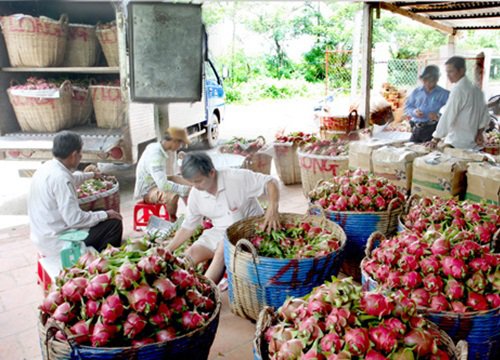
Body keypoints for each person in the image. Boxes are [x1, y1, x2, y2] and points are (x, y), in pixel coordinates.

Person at [166, 152, 280, 284]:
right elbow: (188, 227)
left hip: (249, 230)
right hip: (220, 231)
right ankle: (175, 291)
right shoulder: (196, 194)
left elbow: (271, 182)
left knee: (222, 248)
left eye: (198, 181)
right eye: (191, 182)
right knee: (191, 253)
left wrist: (273, 209)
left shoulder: (236, 178)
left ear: (212, 172)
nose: (195, 186)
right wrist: (168, 250)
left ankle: (205, 293)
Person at [28, 131, 123, 265]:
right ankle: (102, 264)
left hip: (41, 235)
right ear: (73, 155)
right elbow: (74, 219)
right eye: (80, 153)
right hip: (57, 241)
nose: (80, 157)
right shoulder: (61, 178)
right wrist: (106, 214)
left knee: (102, 213)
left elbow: (72, 178)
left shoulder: (47, 168)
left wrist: (90, 175)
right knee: (114, 224)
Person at [429, 56, 490, 149]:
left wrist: (435, 138)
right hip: (474, 145)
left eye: (451, 71)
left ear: (462, 70)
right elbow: (485, 116)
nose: (448, 75)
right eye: (447, 72)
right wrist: (479, 133)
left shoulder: (459, 89)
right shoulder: (476, 90)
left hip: (457, 144)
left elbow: (448, 115)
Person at [134, 127, 192, 221]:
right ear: (174, 141)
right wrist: (185, 190)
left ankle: (193, 214)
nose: (180, 146)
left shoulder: (156, 147)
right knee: (173, 194)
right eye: (180, 143)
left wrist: (190, 186)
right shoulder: (156, 155)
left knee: (184, 181)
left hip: (154, 182)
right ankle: (172, 220)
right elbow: (163, 185)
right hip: (147, 190)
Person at [404, 65, 450, 143]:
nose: (427, 83)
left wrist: (439, 116)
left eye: (431, 81)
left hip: (432, 129)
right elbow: (407, 107)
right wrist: (414, 112)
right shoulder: (416, 92)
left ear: (437, 79)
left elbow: (451, 111)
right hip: (416, 129)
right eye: (425, 80)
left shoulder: (444, 94)